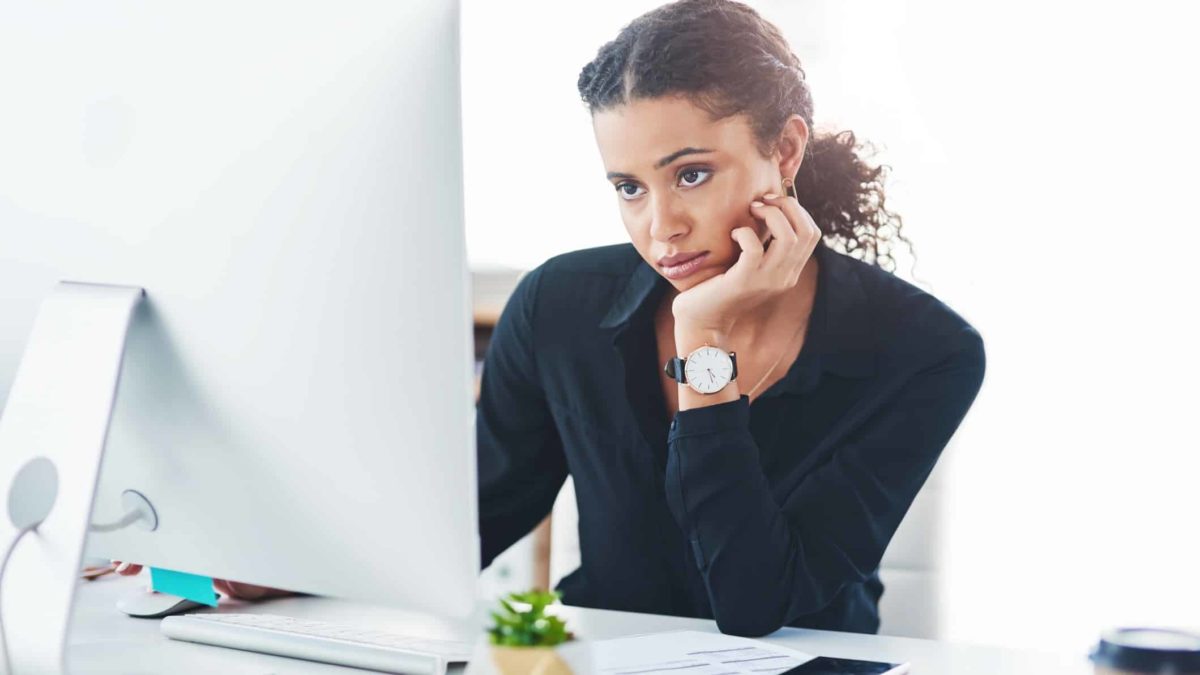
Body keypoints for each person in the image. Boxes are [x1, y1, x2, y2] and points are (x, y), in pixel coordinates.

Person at [123, 0, 986, 638]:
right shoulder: (561, 308)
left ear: (785, 153)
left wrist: (704, 347)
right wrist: (280, 568)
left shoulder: (924, 351)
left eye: (690, 174)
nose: (660, 226)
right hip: (597, 660)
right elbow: (466, 526)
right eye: (628, 187)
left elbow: (755, 604)